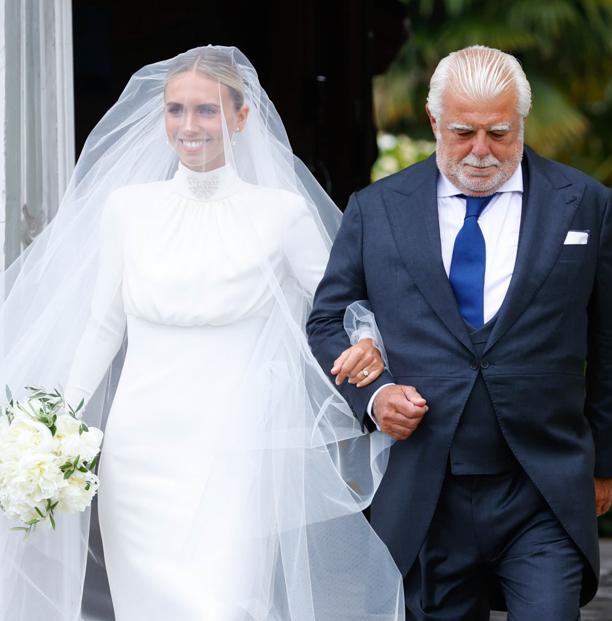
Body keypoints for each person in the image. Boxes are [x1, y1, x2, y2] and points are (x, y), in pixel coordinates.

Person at [0, 46, 403, 620]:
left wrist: (366, 346)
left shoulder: (281, 214)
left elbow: (334, 308)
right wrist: (56, 424)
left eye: (207, 111)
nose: (189, 127)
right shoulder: (126, 209)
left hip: (235, 449)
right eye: (175, 110)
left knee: (221, 602)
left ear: (241, 117)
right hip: (138, 453)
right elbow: (102, 324)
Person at [307, 45, 612, 620]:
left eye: (500, 133)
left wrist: (606, 461)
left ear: (521, 122)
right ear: (433, 122)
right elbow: (327, 319)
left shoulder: (586, 206)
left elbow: (611, 341)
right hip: (426, 488)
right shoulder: (377, 208)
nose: (481, 151)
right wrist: (374, 396)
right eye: (463, 132)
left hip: (541, 486)